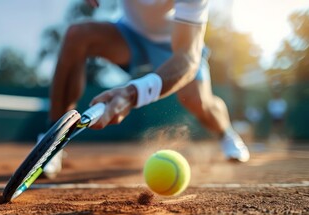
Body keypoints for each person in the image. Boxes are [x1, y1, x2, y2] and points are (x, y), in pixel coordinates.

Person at [42, 0, 250, 178]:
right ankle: (53, 140)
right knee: (77, 35)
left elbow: (187, 57)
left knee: (199, 101)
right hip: (129, 35)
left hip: (178, 45)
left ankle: (226, 133)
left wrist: (133, 94)